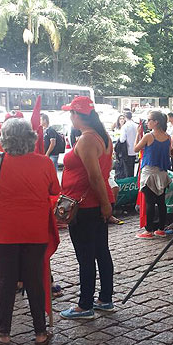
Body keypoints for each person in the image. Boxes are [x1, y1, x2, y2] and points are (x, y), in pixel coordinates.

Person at [0, 118, 58, 345]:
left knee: (6, 282)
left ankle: (4, 333)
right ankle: (40, 332)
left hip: (5, 232)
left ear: (5, 140)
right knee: (34, 281)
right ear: (31, 138)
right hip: (35, 230)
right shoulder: (45, 163)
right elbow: (55, 190)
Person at [59, 96, 115, 319]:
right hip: (94, 204)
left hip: (86, 206)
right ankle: (105, 298)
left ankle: (85, 304)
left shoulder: (87, 140)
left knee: (86, 255)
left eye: (71, 113)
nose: (70, 117)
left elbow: (94, 176)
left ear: (77, 115)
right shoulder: (101, 136)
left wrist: (103, 205)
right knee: (101, 251)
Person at [134, 111, 172, 239]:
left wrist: (137, 134)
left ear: (156, 122)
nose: (147, 122)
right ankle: (161, 229)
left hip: (149, 172)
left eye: (149, 120)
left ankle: (149, 230)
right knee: (161, 202)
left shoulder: (148, 136)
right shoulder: (167, 137)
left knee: (150, 202)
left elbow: (135, 149)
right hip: (162, 173)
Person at [119, 111, 138, 178]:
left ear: (125, 117)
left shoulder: (125, 127)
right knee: (132, 168)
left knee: (127, 170)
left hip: (127, 151)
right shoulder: (136, 125)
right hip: (135, 150)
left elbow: (122, 140)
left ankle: (129, 184)